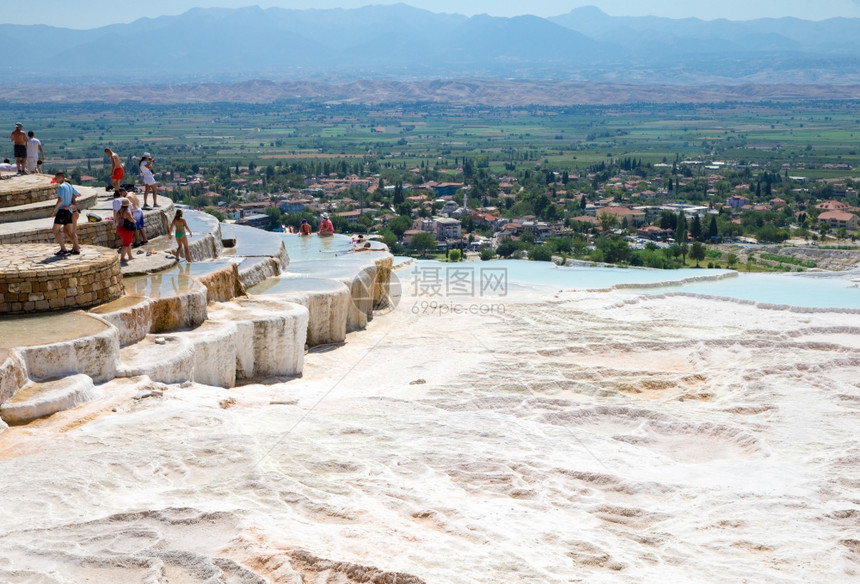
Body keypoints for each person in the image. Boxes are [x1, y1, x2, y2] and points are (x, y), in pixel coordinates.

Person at [50, 171, 81, 256]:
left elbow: (60, 200)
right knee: (71, 232)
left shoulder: (61, 187)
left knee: (55, 230)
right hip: (69, 211)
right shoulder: (69, 186)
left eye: (56, 178)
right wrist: (71, 200)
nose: (55, 179)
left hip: (62, 211)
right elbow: (78, 194)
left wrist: (53, 211)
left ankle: (63, 249)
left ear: (61, 177)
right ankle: (76, 249)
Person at [116, 199, 136, 263]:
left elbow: (116, 220)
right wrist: (134, 221)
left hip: (120, 228)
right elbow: (131, 219)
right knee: (126, 244)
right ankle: (122, 258)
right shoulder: (127, 211)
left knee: (127, 243)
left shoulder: (118, 211)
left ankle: (130, 256)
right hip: (126, 229)